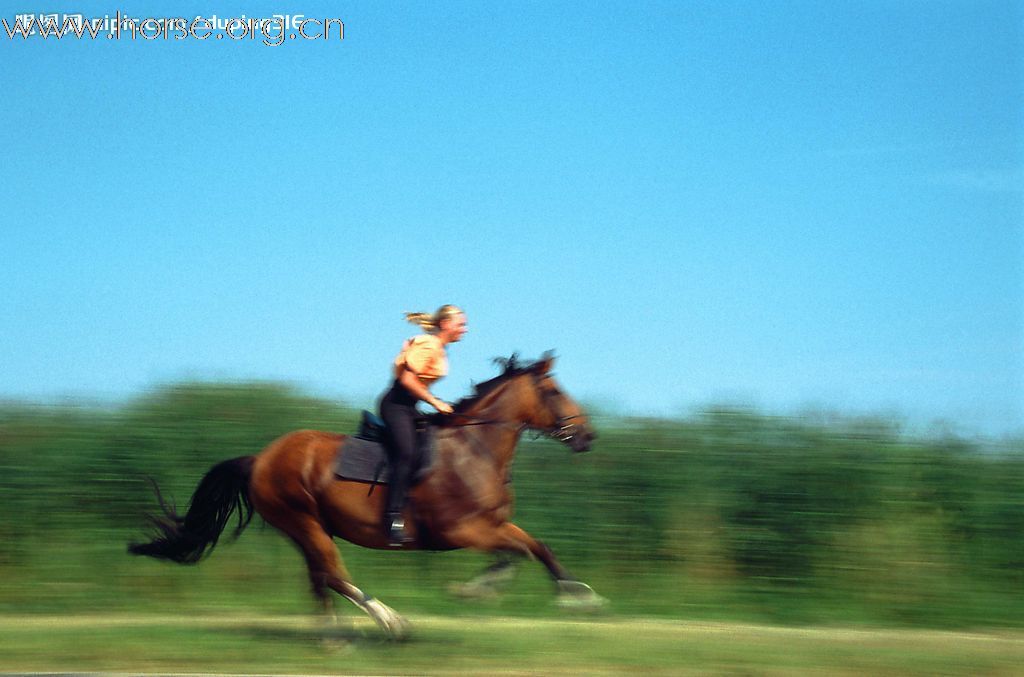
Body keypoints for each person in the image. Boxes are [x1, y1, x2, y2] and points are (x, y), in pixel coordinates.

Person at [379, 304, 468, 546]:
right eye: (461, 324)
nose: (465, 329)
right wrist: (435, 402)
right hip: (395, 405)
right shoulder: (428, 344)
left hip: (410, 408)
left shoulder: (439, 348)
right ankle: (391, 518)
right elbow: (407, 379)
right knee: (407, 453)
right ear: (446, 324)